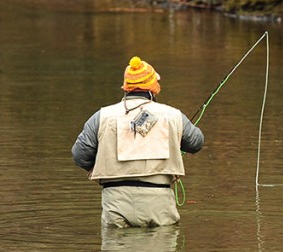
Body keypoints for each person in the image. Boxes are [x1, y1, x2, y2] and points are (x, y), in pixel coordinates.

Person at [72, 56, 204, 227]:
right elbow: (196, 143)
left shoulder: (101, 116)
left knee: (116, 251)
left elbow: (79, 155)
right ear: (153, 88)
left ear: (126, 87)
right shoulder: (173, 115)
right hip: (159, 201)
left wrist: (97, 168)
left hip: (115, 201)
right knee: (160, 250)